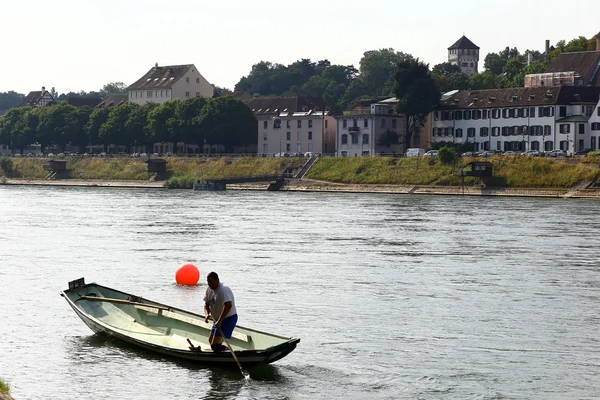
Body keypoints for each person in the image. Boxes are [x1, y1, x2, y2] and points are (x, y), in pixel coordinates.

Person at [201, 271, 238, 353]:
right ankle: (223, 351)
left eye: (212, 282)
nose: (210, 284)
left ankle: (230, 352)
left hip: (228, 318)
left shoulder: (222, 290)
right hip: (217, 320)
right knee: (211, 341)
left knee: (215, 346)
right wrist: (207, 314)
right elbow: (206, 304)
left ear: (217, 280)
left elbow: (228, 305)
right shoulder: (209, 290)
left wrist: (220, 321)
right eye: (208, 282)